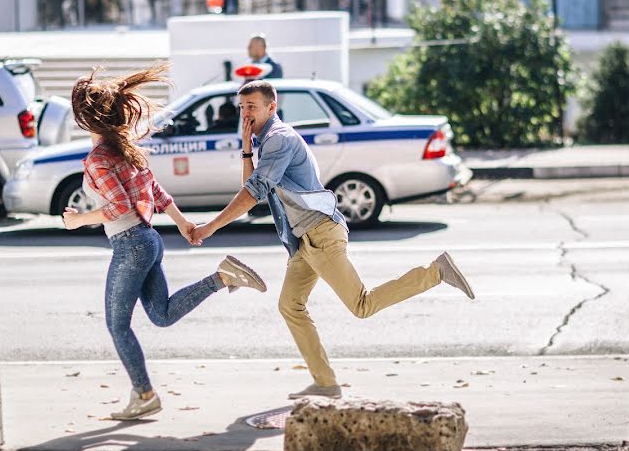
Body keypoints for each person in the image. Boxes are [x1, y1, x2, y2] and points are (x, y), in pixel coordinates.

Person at [190, 80, 474, 400]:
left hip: (321, 234)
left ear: (272, 107)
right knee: (290, 306)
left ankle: (435, 272)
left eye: (251, 107)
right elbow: (253, 185)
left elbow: (252, 194)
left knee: (362, 305)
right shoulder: (266, 141)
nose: (245, 115)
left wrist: (210, 227)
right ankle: (325, 383)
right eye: (241, 108)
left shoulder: (279, 140)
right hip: (305, 240)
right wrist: (245, 148)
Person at [63, 62, 267, 421]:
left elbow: (119, 206)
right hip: (149, 240)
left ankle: (144, 394)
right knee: (161, 315)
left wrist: (79, 220)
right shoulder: (126, 151)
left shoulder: (99, 159)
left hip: (130, 245)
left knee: (117, 324)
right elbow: (155, 192)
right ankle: (223, 277)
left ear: (88, 121)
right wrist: (184, 223)